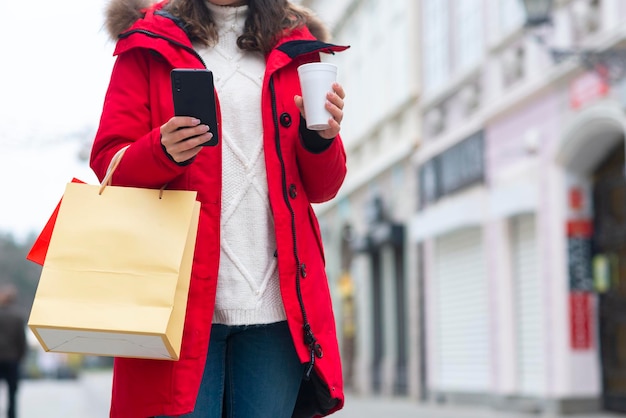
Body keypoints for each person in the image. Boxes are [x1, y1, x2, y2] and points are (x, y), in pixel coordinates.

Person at [90, 0, 349, 416]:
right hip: (177, 306)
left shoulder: (296, 45)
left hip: (278, 309)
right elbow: (108, 161)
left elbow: (323, 186)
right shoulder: (148, 42)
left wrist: (320, 138)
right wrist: (162, 150)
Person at [0, 285, 27, 418]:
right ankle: (12, 415)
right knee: (12, 393)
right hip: (12, 359)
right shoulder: (18, 317)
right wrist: (21, 357)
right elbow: (22, 340)